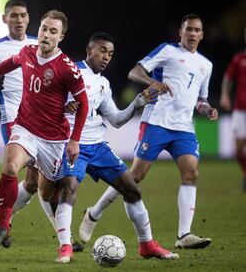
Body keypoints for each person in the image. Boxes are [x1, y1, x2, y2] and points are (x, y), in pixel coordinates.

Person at [79, 14, 219, 250]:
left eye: (197, 30)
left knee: (191, 173)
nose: (192, 34)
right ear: (181, 32)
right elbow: (134, 73)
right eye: (188, 30)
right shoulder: (167, 51)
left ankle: (184, 234)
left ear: (202, 34)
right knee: (133, 178)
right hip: (156, 121)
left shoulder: (206, 65)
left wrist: (208, 109)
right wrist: (151, 83)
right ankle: (94, 213)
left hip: (183, 127)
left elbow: (200, 101)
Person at [0, 9, 89, 262]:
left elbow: (83, 103)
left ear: (61, 37)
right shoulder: (28, 52)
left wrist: (74, 139)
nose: (45, 34)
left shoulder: (66, 68)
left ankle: (63, 241)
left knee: (42, 191)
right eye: (44, 28)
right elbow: (11, 63)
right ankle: (4, 221)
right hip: (25, 128)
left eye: (52, 31)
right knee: (10, 167)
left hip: (53, 140)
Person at [55, 31, 179, 263]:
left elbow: (116, 120)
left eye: (110, 53)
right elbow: (52, 103)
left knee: (132, 190)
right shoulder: (72, 72)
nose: (106, 57)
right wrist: (64, 108)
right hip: (73, 144)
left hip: (98, 146)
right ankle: (65, 248)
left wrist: (138, 102)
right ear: (89, 50)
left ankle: (147, 245)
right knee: (68, 190)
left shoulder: (103, 84)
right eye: (102, 50)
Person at [219, 26, 246, 192]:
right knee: (238, 149)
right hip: (240, 110)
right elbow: (228, 77)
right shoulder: (239, 59)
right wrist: (224, 95)